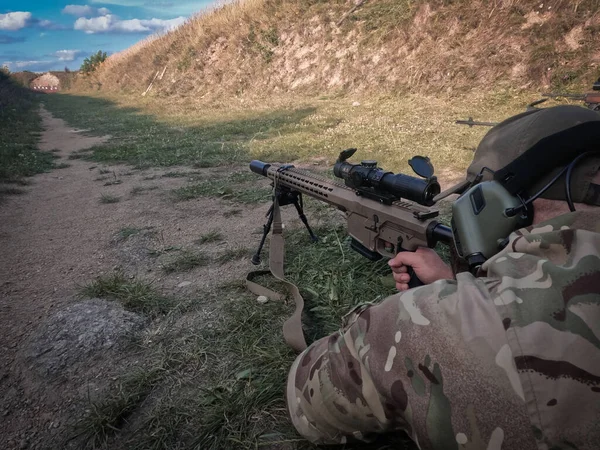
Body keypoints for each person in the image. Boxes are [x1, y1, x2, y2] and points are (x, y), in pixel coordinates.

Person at [286, 105, 600, 450]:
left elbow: (306, 401)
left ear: (495, 205)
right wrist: (464, 285)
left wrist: (432, 307)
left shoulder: (420, 327)